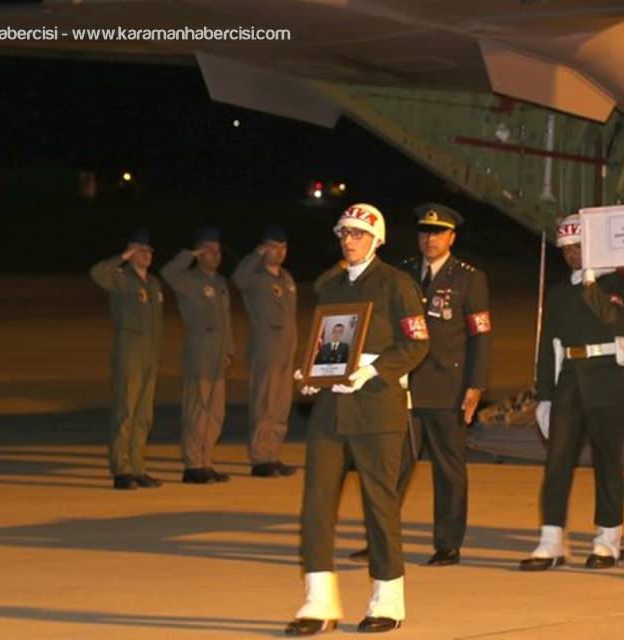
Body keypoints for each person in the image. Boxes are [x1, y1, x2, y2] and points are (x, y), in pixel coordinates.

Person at [286, 204, 429, 636]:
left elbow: (416, 344)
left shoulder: (396, 284)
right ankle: (318, 601)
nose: (349, 241)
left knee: (379, 508)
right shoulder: (330, 285)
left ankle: (387, 601)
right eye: (344, 234)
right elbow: (328, 340)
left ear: (377, 240)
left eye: (358, 234)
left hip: (377, 409)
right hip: (332, 410)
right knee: (316, 505)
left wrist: (372, 370)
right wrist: (313, 373)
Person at [351, 203, 491, 567]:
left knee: (449, 470)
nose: (431, 239)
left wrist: (476, 385)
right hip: (404, 385)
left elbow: (480, 336)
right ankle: (379, 540)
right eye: (425, 232)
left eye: (439, 233)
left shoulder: (469, 278)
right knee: (391, 467)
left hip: (448, 387)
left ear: (452, 237)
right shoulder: (403, 273)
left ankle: (448, 544)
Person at [521, 214, 624, 571]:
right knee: (556, 463)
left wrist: (590, 283)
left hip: (608, 379)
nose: (572, 254)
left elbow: (613, 320)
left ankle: (607, 539)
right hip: (570, 380)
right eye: (567, 249)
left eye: (579, 247)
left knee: (607, 463)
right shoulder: (559, 293)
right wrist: (544, 395)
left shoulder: (615, 283)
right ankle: (551, 540)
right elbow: (547, 346)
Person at [89, 229, 165, 491]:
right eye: (140, 250)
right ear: (131, 252)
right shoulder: (121, 279)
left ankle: (137, 467)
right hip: (129, 353)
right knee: (126, 410)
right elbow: (97, 273)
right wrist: (122, 257)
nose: (147, 254)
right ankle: (121, 469)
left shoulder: (153, 283)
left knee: (143, 415)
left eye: (149, 250)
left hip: (150, 354)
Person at [160, 226, 233, 485]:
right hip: (200, 350)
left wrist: (229, 350)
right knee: (197, 409)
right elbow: (168, 273)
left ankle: (206, 461)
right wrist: (189, 254)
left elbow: (226, 321)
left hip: (218, 352)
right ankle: (193, 465)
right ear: (200, 253)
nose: (216, 255)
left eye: (218, 251)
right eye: (209, 250)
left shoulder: (220, 283)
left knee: (215, 411)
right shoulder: (189, 280)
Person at [232, 225, 299, 478]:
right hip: (266, 346)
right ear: (263, 248)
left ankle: (273, 453)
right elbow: (238, 278)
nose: (279, 252)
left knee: (281, 404)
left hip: (286, 348)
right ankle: (260, 458)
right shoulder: (255, 276)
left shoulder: (286, 277)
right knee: (264, 402)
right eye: (273, 247)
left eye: (283, 247)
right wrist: (256, 255)